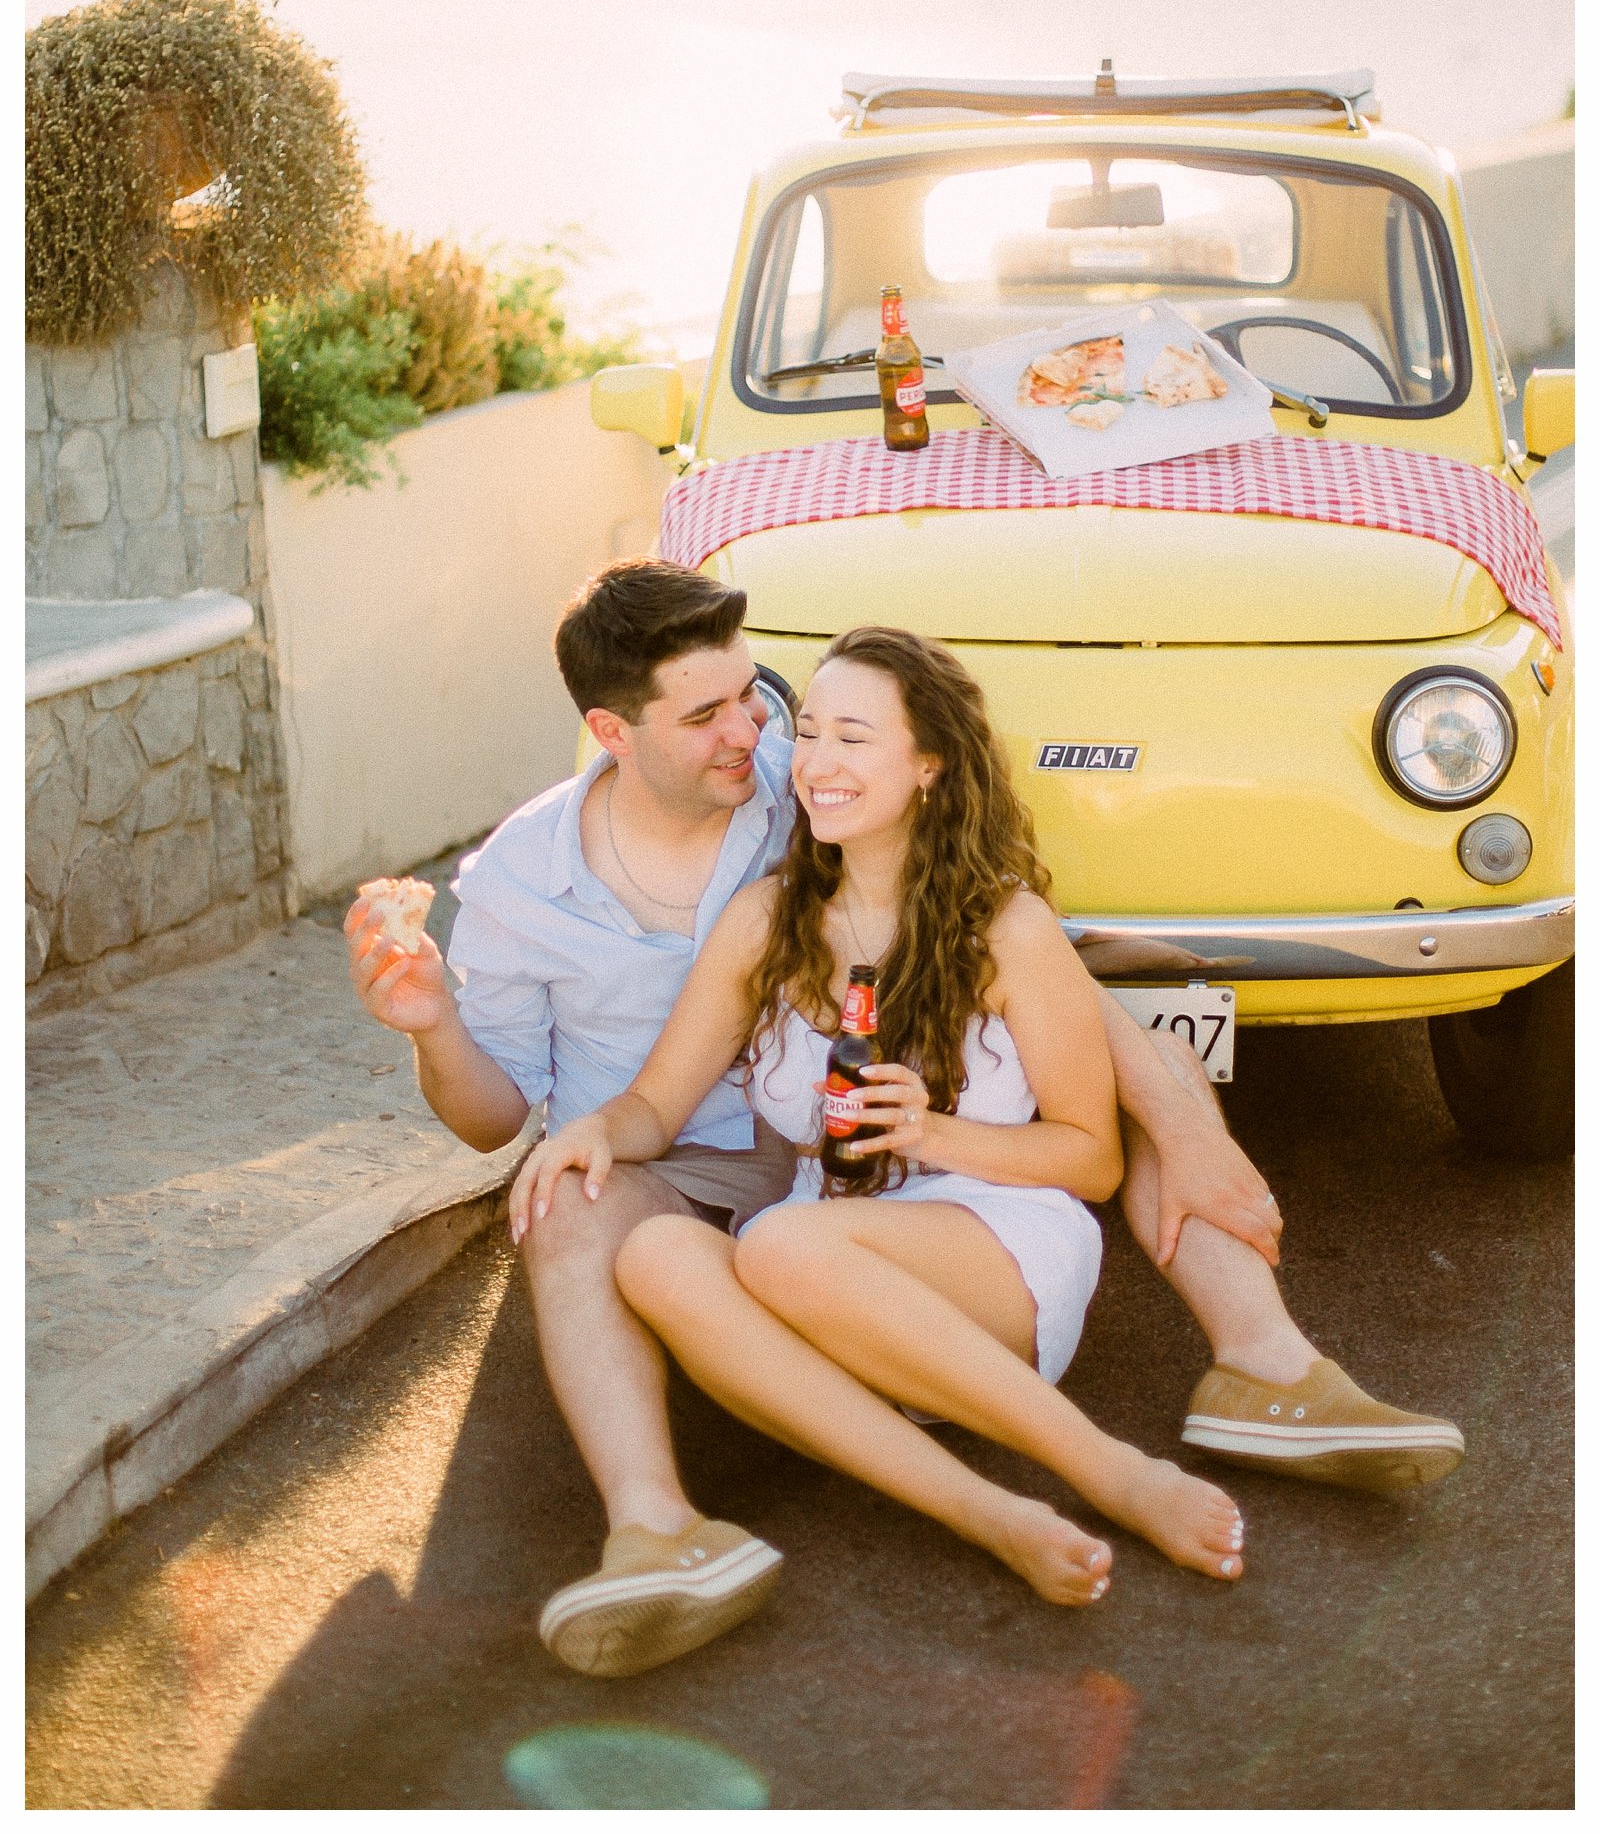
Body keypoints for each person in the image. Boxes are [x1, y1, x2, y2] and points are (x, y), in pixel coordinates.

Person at [349, 566, 1462, 1674]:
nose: (773, 740)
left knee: (1155, 1059)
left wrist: (1184, 1124)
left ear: (922, 762)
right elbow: (580, 1108)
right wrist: (464, 1044)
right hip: (783, 1207)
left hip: (926, 1222)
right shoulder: (620, 890)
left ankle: (1248, 1378)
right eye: (713, 714)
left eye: (764, 702)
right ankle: (742, 1524)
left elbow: (1074, 1090)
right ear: (612, 731)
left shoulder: (810, 792)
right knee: (635, 1240)